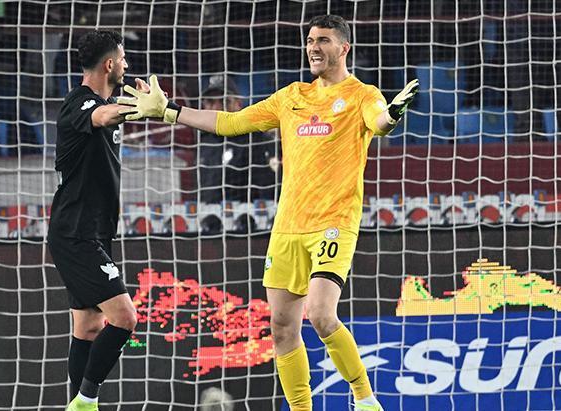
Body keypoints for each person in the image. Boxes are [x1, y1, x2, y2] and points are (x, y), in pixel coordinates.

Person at [118, 15, 418, 411]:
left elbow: (378, 122)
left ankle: (364, 399)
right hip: (288, 226)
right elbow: (230, 122)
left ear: (344, 48)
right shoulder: (291, 96)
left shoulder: (362, 94)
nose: (313, 47)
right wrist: (169, 111)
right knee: (281, 328)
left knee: (321, 315)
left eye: (323, 40)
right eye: (310, 40)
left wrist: (391, 115)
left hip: (333, 223)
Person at [47, 30, 144, 411]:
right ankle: (86, 401)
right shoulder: (80, 103)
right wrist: (139, 107)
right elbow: (101, 115)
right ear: (109, 64)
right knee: (124, 318)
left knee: (88, 328)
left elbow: (109, 111)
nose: (127, 65)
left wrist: (133, 104)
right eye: (123, 58)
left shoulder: (104, 103)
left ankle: (79, 403)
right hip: (76, 234)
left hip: (93, 232)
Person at [198, 76, 277, 204]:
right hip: (208, 213)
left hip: (247, 213)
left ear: (238, 104)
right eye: (210, 102)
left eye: (224, 101)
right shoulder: (203, 141)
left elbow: (267, 190)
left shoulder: (255, 139)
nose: (217, 107)